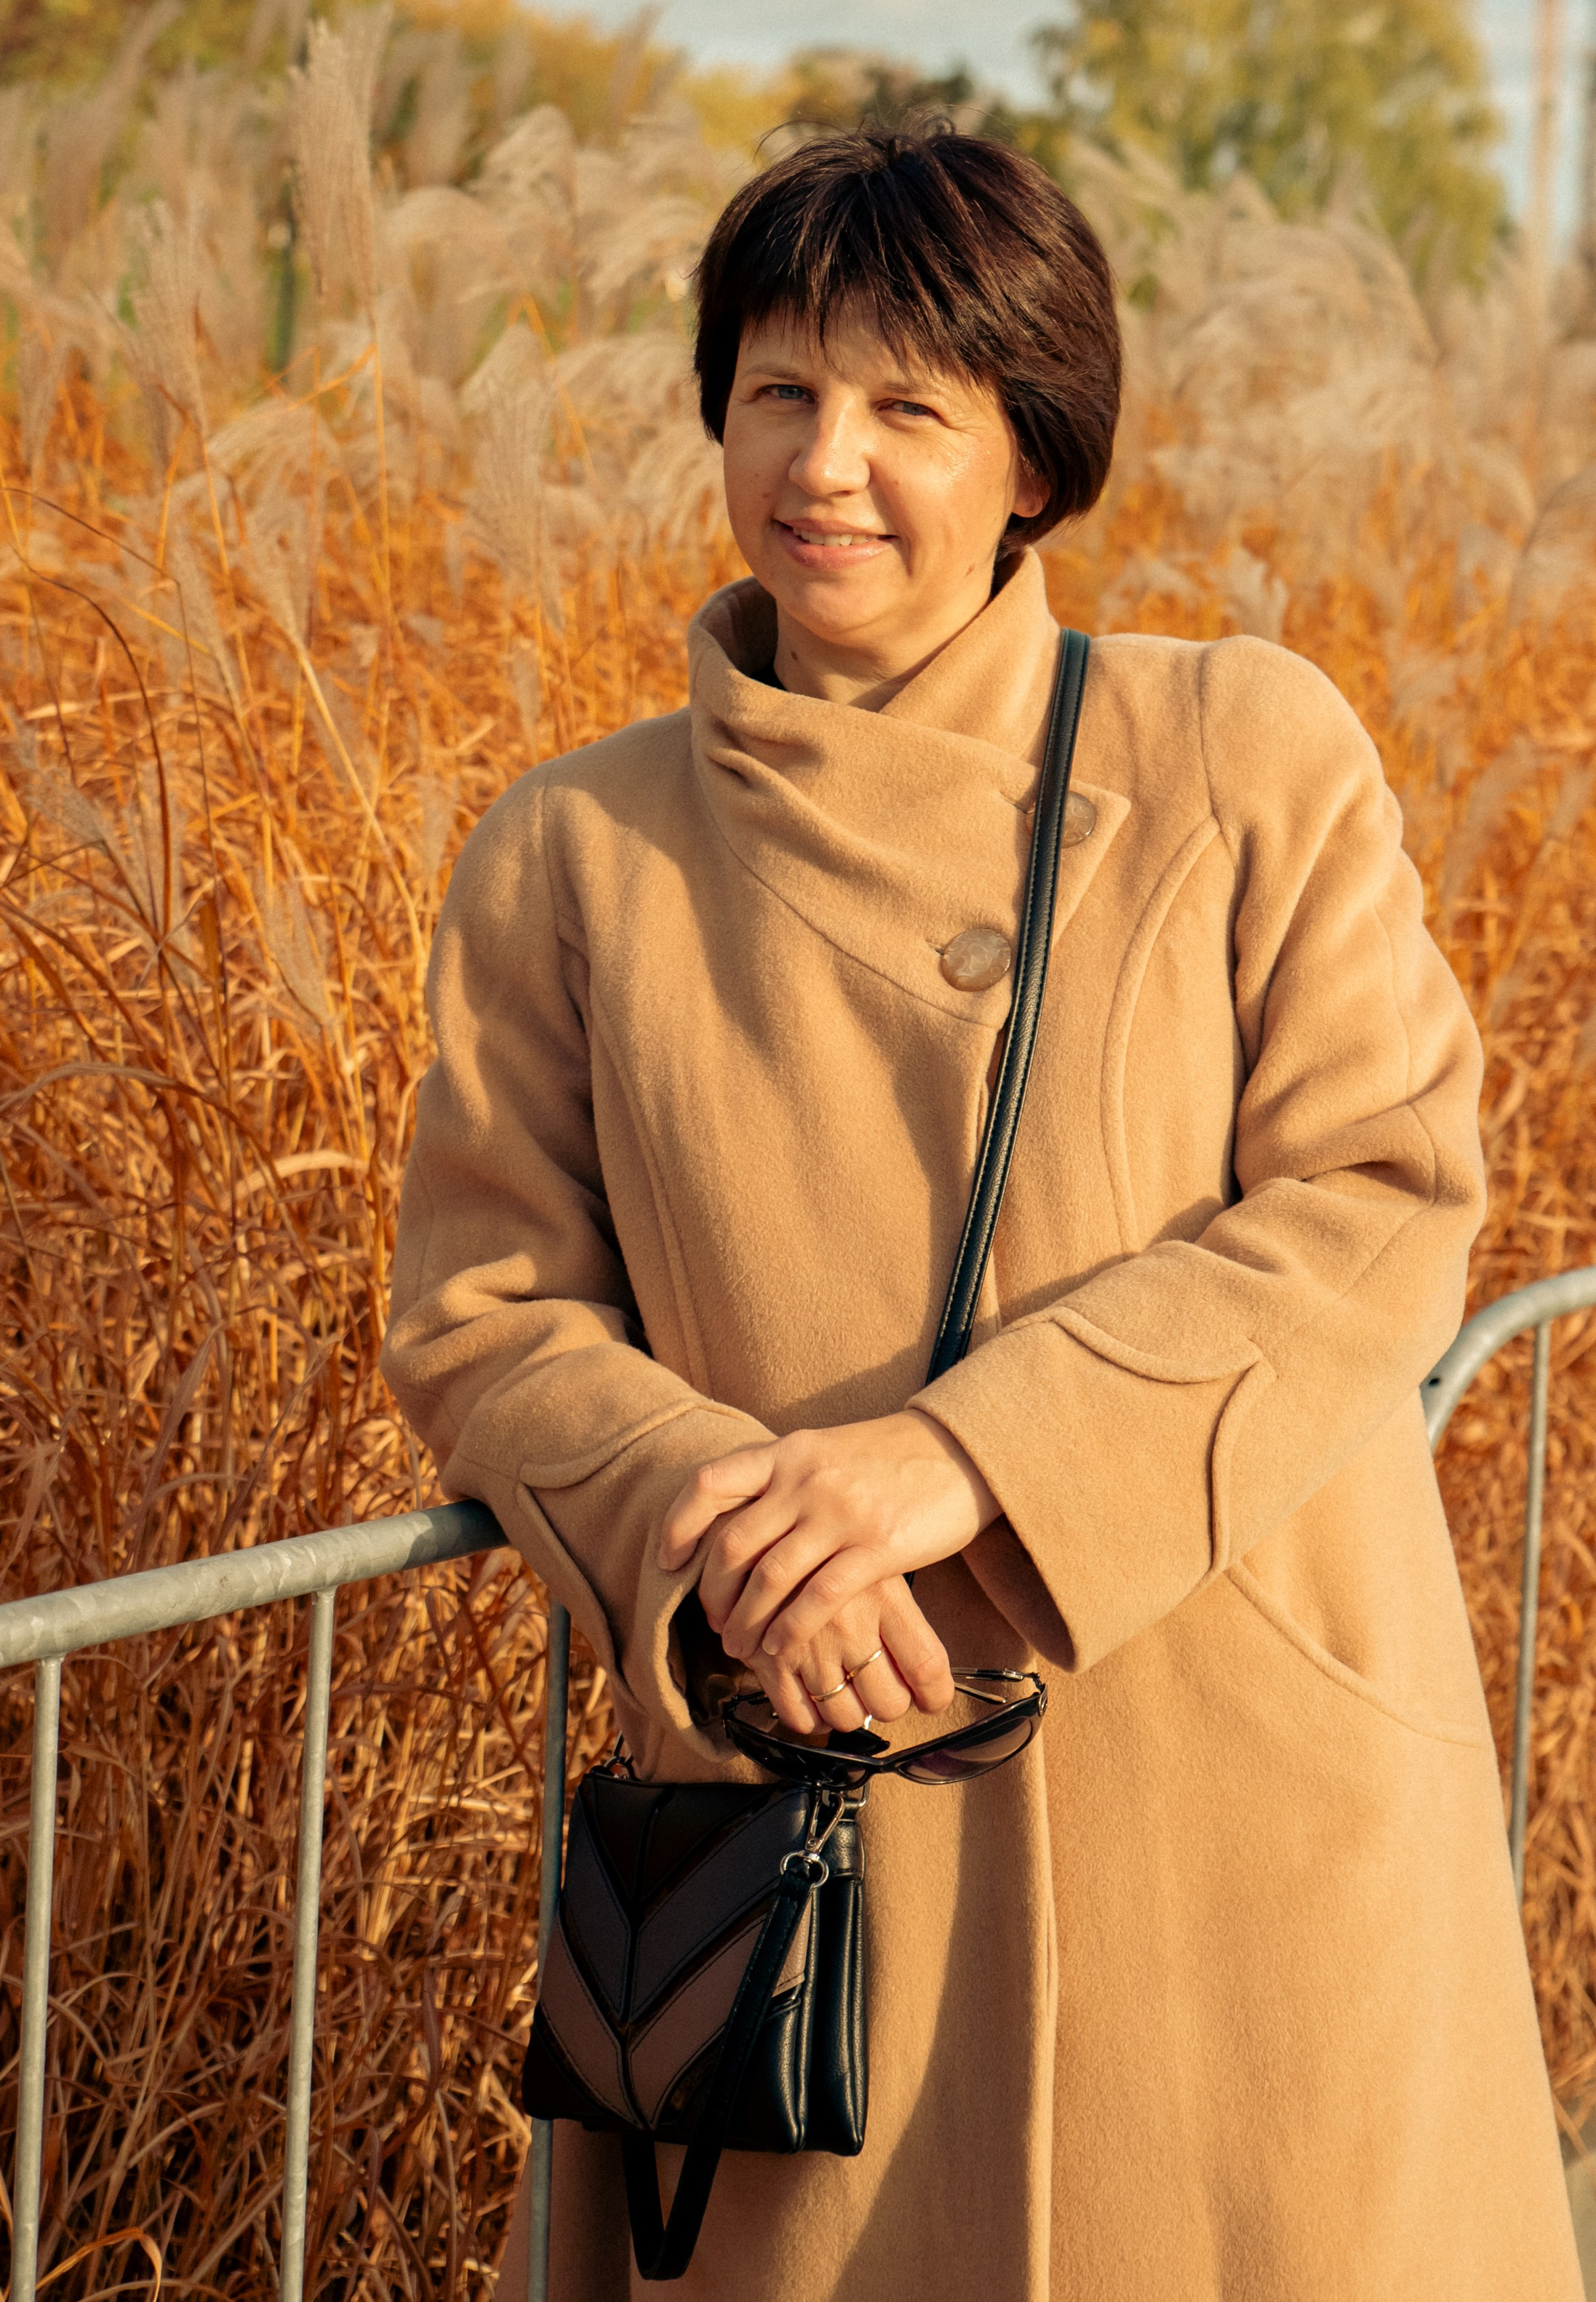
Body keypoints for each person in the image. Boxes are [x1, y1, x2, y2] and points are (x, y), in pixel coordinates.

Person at [380, 127, 1579, 2301]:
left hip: (1244, 1802)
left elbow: (1384, 1190)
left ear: (1032, 459)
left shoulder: (1239, 750)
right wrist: (730, 1531)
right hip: (821, 1819)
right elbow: (485, 1311)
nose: (826, 463)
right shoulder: (569, 854)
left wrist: (958, 1466)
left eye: (909, 410)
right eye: (778, 393)